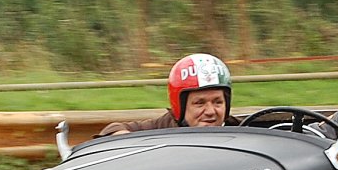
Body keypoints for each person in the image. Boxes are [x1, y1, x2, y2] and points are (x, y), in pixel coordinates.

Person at [97, 53, 240, 136]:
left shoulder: (240, 129)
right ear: (180, 107)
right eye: (199, 103)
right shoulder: (164, 127)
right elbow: (112, 130)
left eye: (218, 102)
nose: (210, 111)